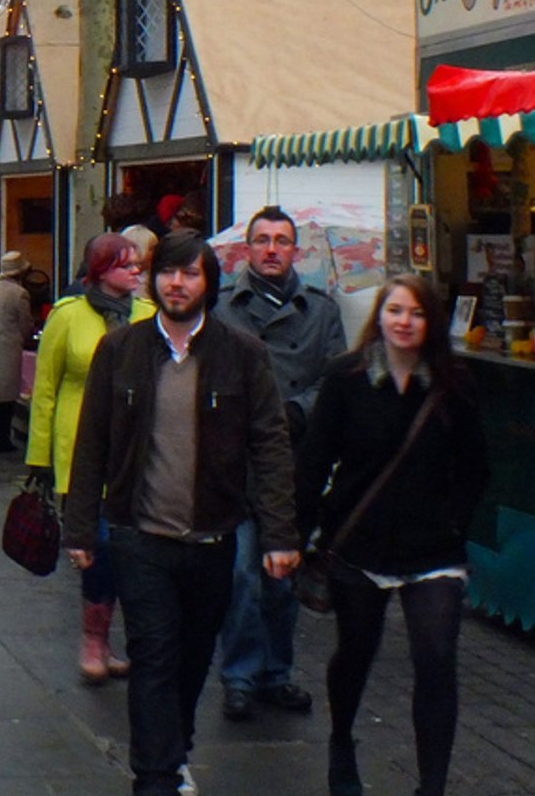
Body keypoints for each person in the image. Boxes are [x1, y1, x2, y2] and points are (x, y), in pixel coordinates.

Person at [63, 229, 300, 796]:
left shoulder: (242, 354)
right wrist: (79, 526)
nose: (177, 283)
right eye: (168, 272)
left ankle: (177, 745)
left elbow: (269, 443)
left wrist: (278, 534)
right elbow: (91, 439)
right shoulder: (120, 350)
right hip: (139, 534)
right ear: (154, 281)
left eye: (190, 273)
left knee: (193, 658)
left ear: (208, 284)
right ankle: (155, 776)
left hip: (213, 536)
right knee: (152, 654)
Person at [294, 275, 489, 796]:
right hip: (359, 545)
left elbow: (476, 467)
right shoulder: (346, 379)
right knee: (355, 654)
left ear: (432, 322)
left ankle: (432, 785)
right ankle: (341, 740)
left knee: (436, 658)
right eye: (395, 311)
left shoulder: (454, 383)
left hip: (433, 550)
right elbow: (314, 461)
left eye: (417, 313)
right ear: (379, 316)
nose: (404, 322)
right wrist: (295, 533)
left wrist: (454, 522)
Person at [213, 205, 345, 721]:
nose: (272, 249)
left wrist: (297, 410)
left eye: (282, 241)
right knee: (242, 575)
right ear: (248, 249)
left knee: (282, 576)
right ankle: (240, 675)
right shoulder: (223, 309)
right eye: (263, 239)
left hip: (294, 464)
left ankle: (277, 672)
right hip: (236, 464)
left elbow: (334, 377)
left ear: (296, 250)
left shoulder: (321, 311)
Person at [26, 232, 155, 683]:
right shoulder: (68, 315)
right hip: (81, 449)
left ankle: (118, 639)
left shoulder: (150, 315)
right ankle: (94, 641)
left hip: (137, 452)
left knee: (132, 550)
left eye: (138, 265)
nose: (137, 271)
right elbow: (45, 389)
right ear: (100, 270)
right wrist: (39, 457)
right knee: (97, 547)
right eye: (126, 265)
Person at [0, 251, 33, 454]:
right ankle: (0, 439)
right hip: (9, 347)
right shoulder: (19, 294)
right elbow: (25, 323)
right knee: (6, 397)